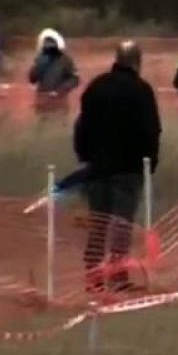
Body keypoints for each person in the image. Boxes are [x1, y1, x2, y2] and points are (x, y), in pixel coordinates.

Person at [73, 41, 160, 293]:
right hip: (128, 168)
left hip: (97, 167)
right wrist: (150, 161)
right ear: (136, 62)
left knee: (98, 222)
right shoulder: (141, 90)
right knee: (121, 223)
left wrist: (84, 155)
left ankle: (93, 274)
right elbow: (151, 129)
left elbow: (82, 126)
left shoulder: (95, 87)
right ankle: (117, 275)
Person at [28, 28, 79, 113]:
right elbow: (32, 79)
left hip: (59, 101)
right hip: (42, 101)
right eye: (46, 43)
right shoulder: (40, 59)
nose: (48, 45)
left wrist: (59, 91)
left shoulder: (65, 60)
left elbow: (75, 79)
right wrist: (38, 65)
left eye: (51, 43)